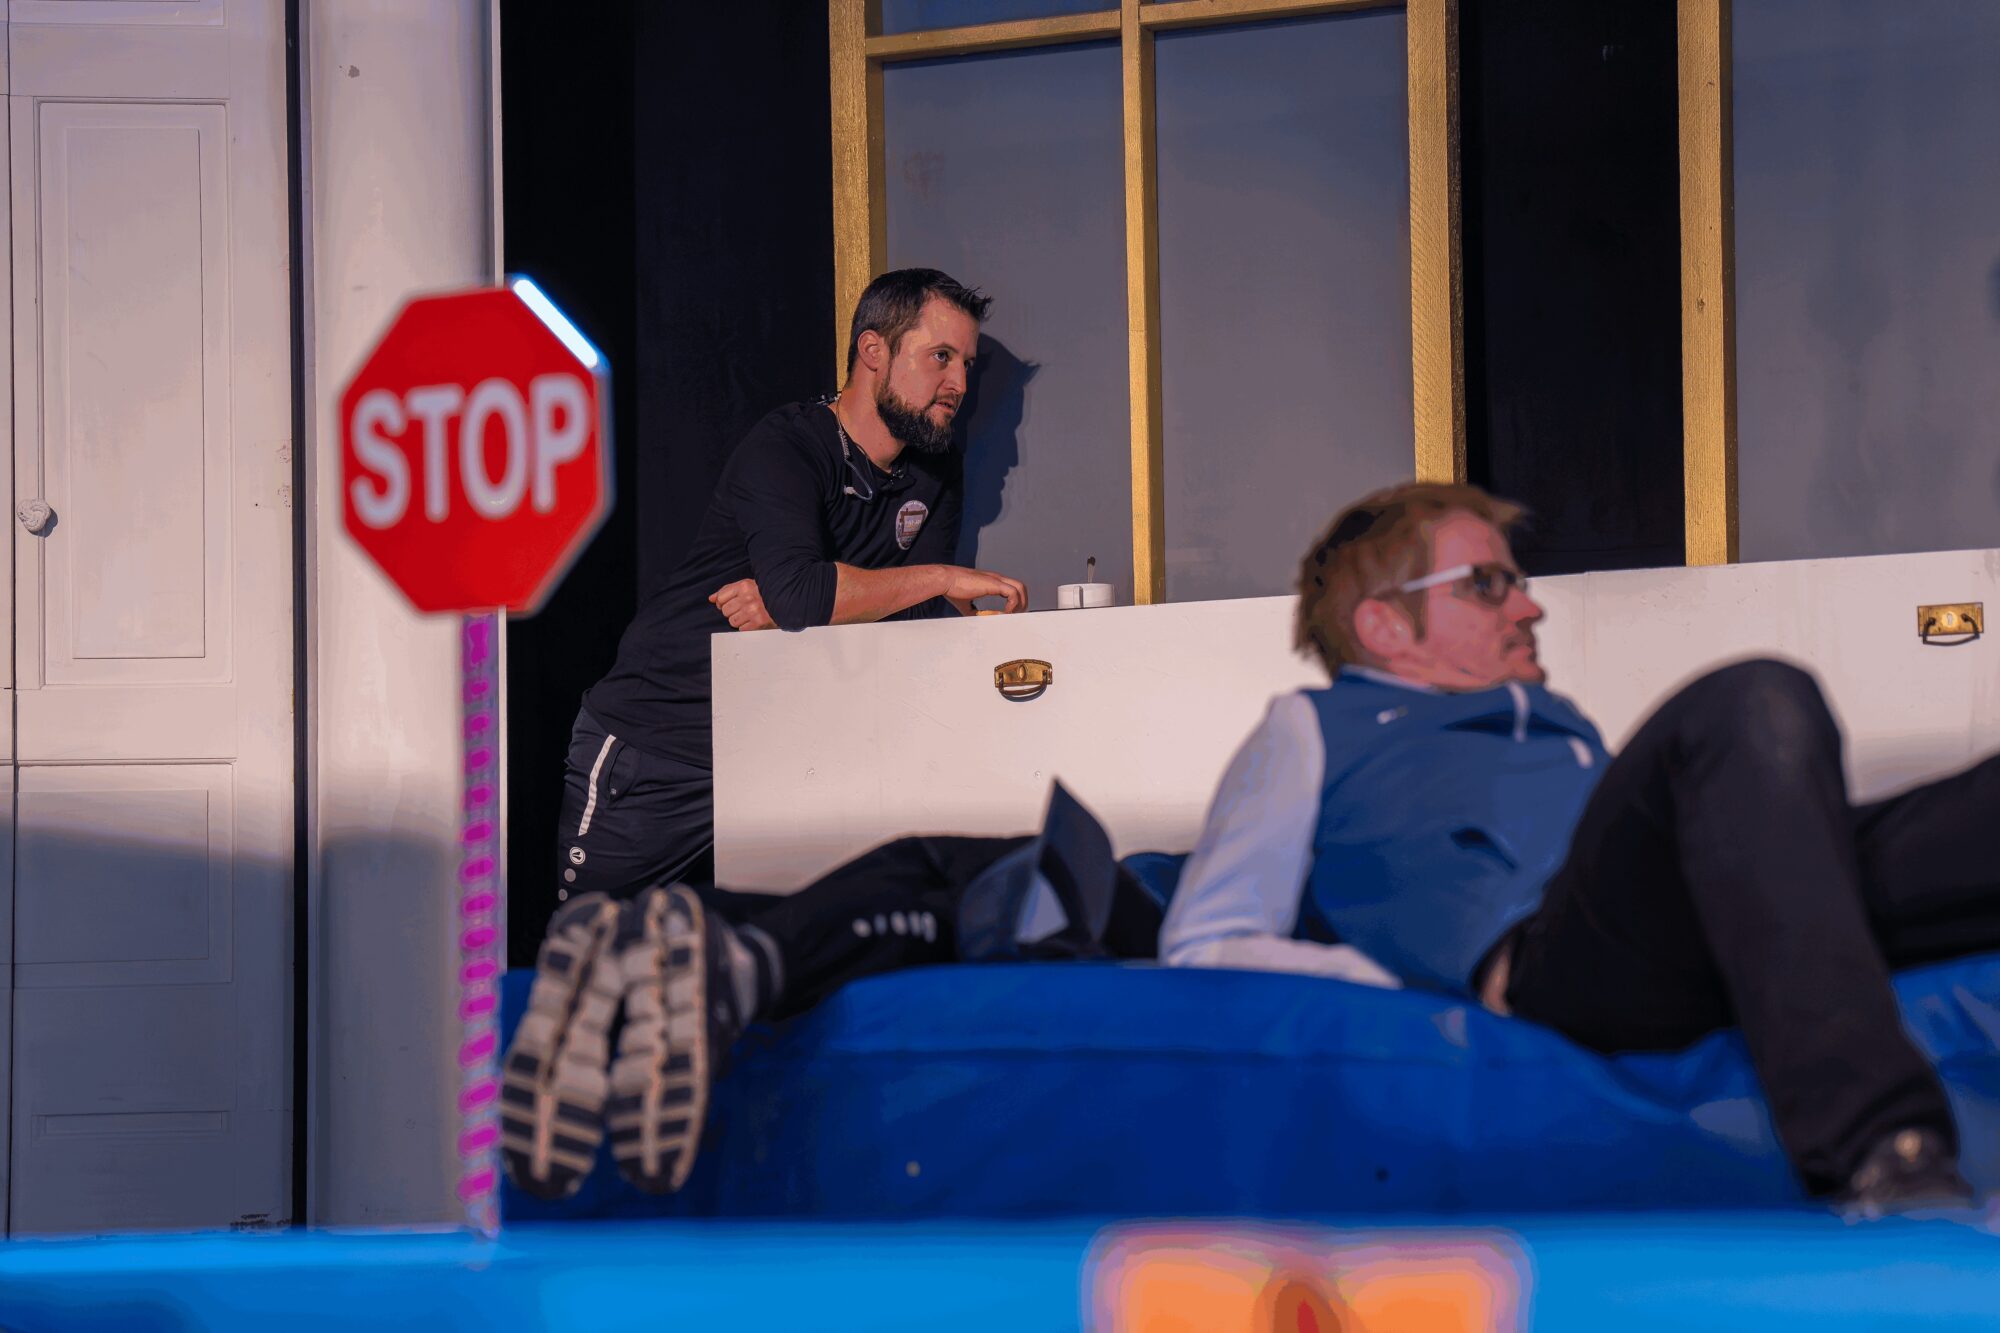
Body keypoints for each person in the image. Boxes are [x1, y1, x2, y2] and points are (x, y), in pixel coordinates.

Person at [1158, 480, 1993, 1214]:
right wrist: (1376, 980)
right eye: (1486, 584)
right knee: (1754, 701)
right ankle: (1885, 1151)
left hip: (1712, 914)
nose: (1529, 608)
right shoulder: (1310, 727)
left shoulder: (1561, 723)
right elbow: (1206, 938)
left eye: (1518, 583)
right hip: (1556, 960)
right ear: (1382, 623)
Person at [558, 268, 1029, 902]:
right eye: (941, 357)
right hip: (658, 753)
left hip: (783, 759)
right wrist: (929, 579)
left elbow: (904, 620)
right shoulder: (788, 446)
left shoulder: (935, 467)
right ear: (873, 351)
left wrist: (789, 607)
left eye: (966, 364)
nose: (960, 385)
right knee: (593, 949)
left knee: (766, 953)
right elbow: (809, 595)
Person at [502, 785, 1163, 1200]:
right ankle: (719, 954)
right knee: (969, 881)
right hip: (1140, 900)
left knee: (974, 891)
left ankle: (680, 942)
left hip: (1136, 912)